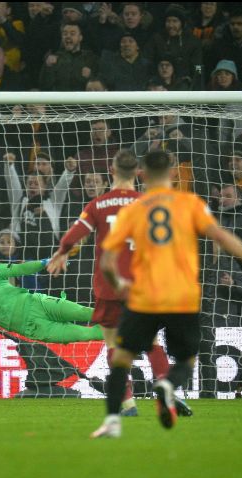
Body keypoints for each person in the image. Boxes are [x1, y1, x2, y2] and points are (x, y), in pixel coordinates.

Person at [91, 150, 242, 438]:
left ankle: (113, 420)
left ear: (142, 175)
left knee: (121, 358)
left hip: (143, 296)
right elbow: (222, 237)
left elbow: (107, 261)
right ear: (174, 172)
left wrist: (118, 283)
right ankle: (167, 385)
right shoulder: (189, 204)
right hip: (182, 296)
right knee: (187, 360)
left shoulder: (133, 210)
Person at [48, 149, 190, 418]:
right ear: (138, 174)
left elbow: (72, 236)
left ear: (111, 172)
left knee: (113, 344)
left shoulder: (97, 205)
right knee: (151, 341)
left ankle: (127, 403)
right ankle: (165, 389)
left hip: (109, 287)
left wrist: (61, 253)